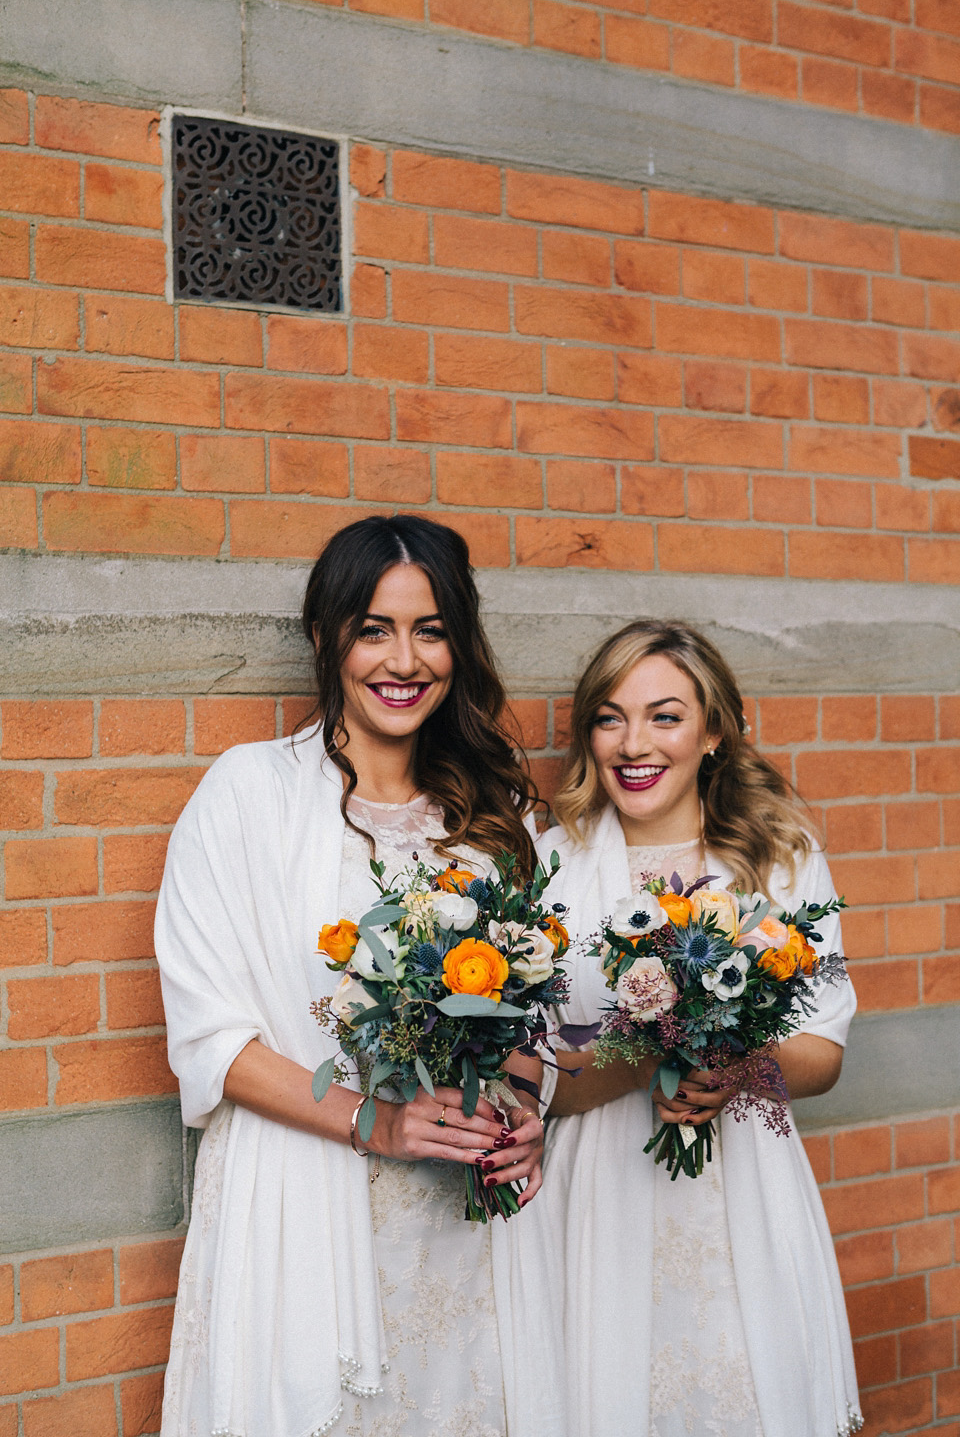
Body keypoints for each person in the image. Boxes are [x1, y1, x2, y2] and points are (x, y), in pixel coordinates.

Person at [155, 515, 546, 1437]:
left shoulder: (497, 818)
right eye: (374, 629)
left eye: (431, 629)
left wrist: (527, 1111)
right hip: (302, 1199)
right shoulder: (248, 795)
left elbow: (537, 1015)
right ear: (327, 636)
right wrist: (376, 1120)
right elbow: (212, 1040)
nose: (403, 660)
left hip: (459, 1222)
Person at [506, 619, 862, 1437]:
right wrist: (641, 1063)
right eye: (609, 716)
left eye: (665, 716)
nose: (634, 742)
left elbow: (823, 1052)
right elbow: (524, 1071)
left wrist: (731, 1069)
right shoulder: (547, 863)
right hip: (596, 1190)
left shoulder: (778, 861)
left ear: (712, 733)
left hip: (742, 1185)